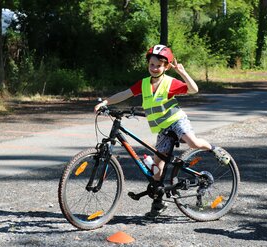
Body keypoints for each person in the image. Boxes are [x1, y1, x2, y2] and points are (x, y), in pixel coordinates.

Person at [94, 44, 230, 218]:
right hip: (163, 129)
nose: (155, 68)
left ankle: (214, 149)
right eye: (152, 64)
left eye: (159, 65)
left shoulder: (169, 82)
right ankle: (158, 203)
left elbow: (193, 90)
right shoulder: (143, 84)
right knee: (157, 168)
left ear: (166, 67)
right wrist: (106, 103)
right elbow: (124, 93)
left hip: (177, 121)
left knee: (193, 143)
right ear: (148, 65)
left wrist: (182, 72)